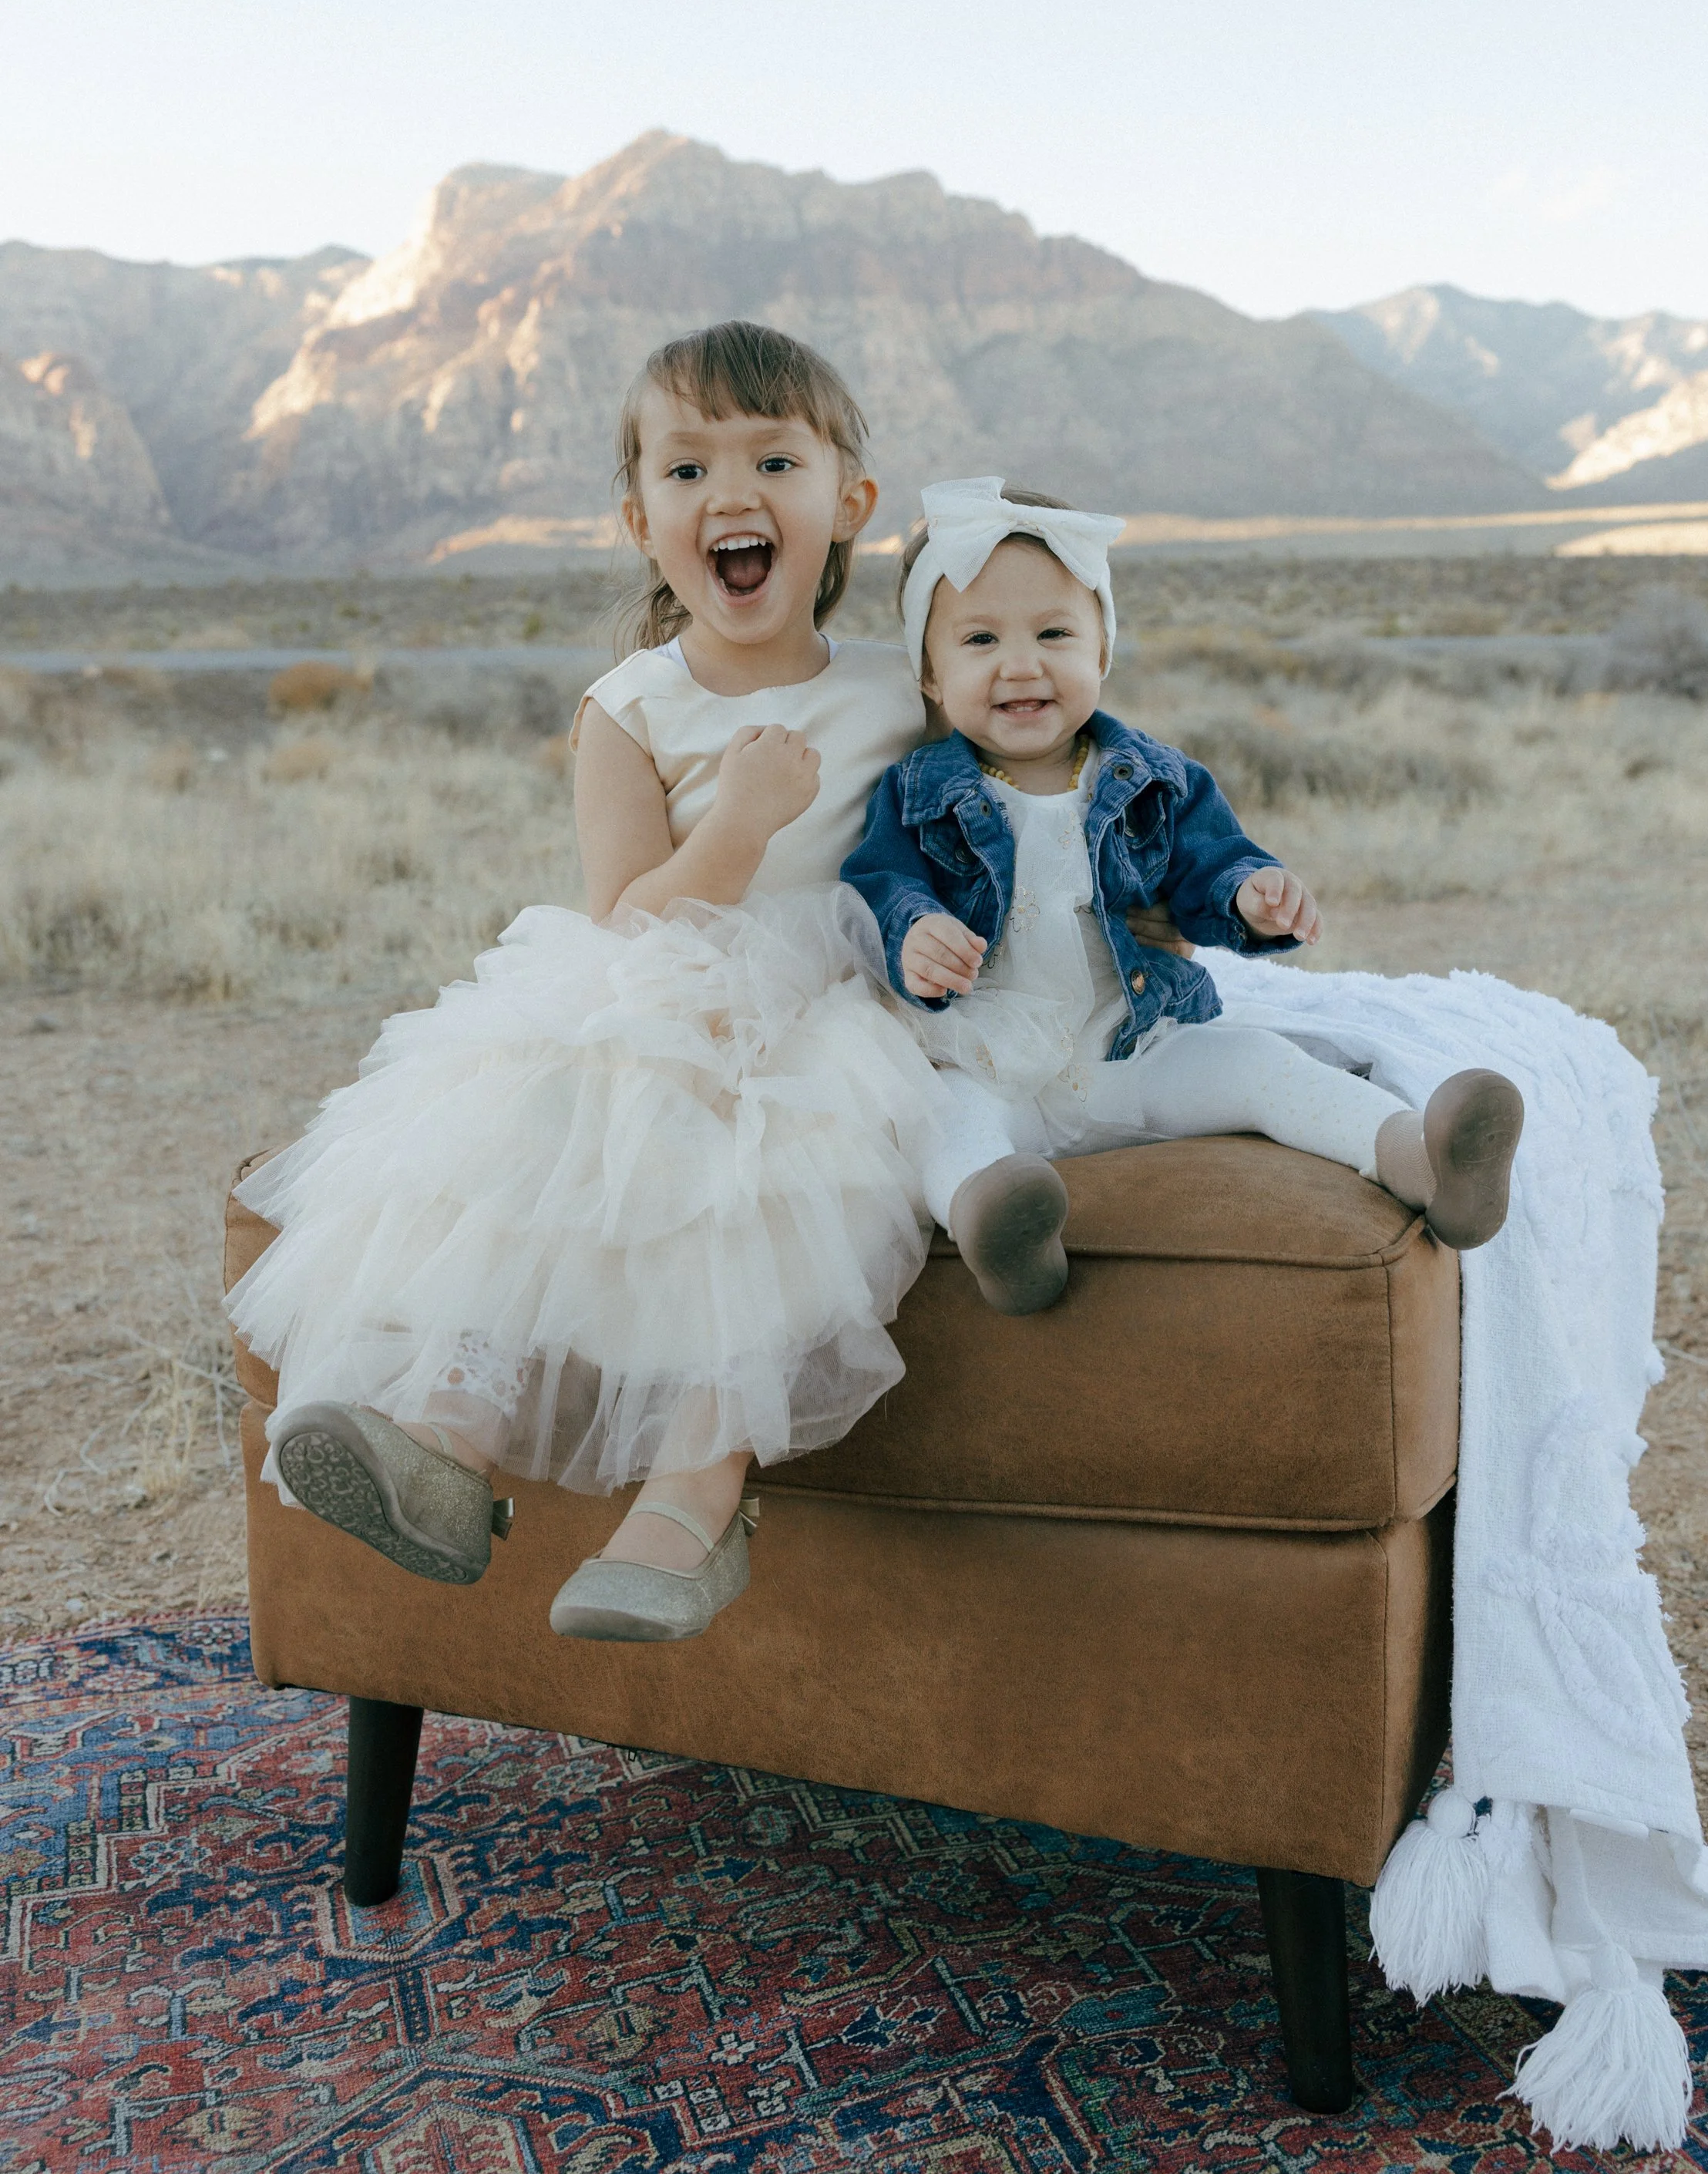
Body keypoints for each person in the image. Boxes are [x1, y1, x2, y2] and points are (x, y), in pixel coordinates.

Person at [231, 322, 946, 1647]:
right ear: (639, 521)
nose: (729, 494)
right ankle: (445, 1438)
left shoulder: (903, 694)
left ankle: (694, 1499)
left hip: (839, 1012)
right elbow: (625, 915)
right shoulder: (628, 706)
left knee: (790, 1162)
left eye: (773, 461)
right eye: (687, 470)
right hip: (664, 988)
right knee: (537, 1115)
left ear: (849, 503)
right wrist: (739, 823)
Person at [842, 478, 1525, 1315]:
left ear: (1100, 651)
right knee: (943, 1118)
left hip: (1132, 1049)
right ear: (930, 674)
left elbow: (1212, 866)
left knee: (1259, 1063)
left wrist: (1250, 896)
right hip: (989, 1064)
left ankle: (1422, 1160)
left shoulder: (1154, 780)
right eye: (980, 639)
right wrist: (913, 932)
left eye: (1054, 633)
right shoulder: (916, 791)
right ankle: (998, 1221)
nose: (1021, 664)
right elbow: (880, 884)